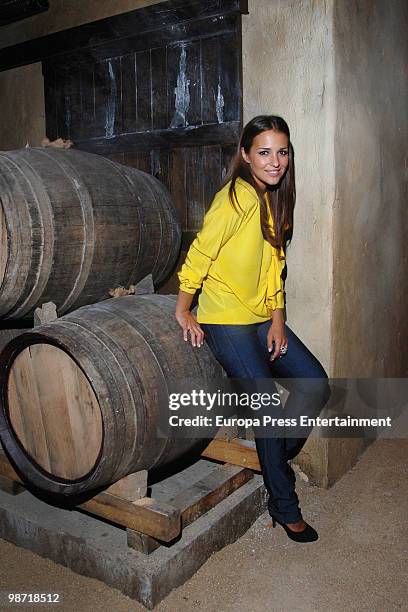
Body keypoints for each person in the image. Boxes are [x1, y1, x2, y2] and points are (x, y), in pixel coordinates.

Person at [175, 115, 330, 543]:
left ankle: (272, 454)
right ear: (244, 155)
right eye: (264, 152)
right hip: (226, 319)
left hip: (262, 318)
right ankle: (284, 504)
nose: (275, 161)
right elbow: (200, 254)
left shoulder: (272, 199)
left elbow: (274, 268)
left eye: (282, 152)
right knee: (264, 403)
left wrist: (278, 319)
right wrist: (184, 307)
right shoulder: (235, 200)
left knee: (314, 384)